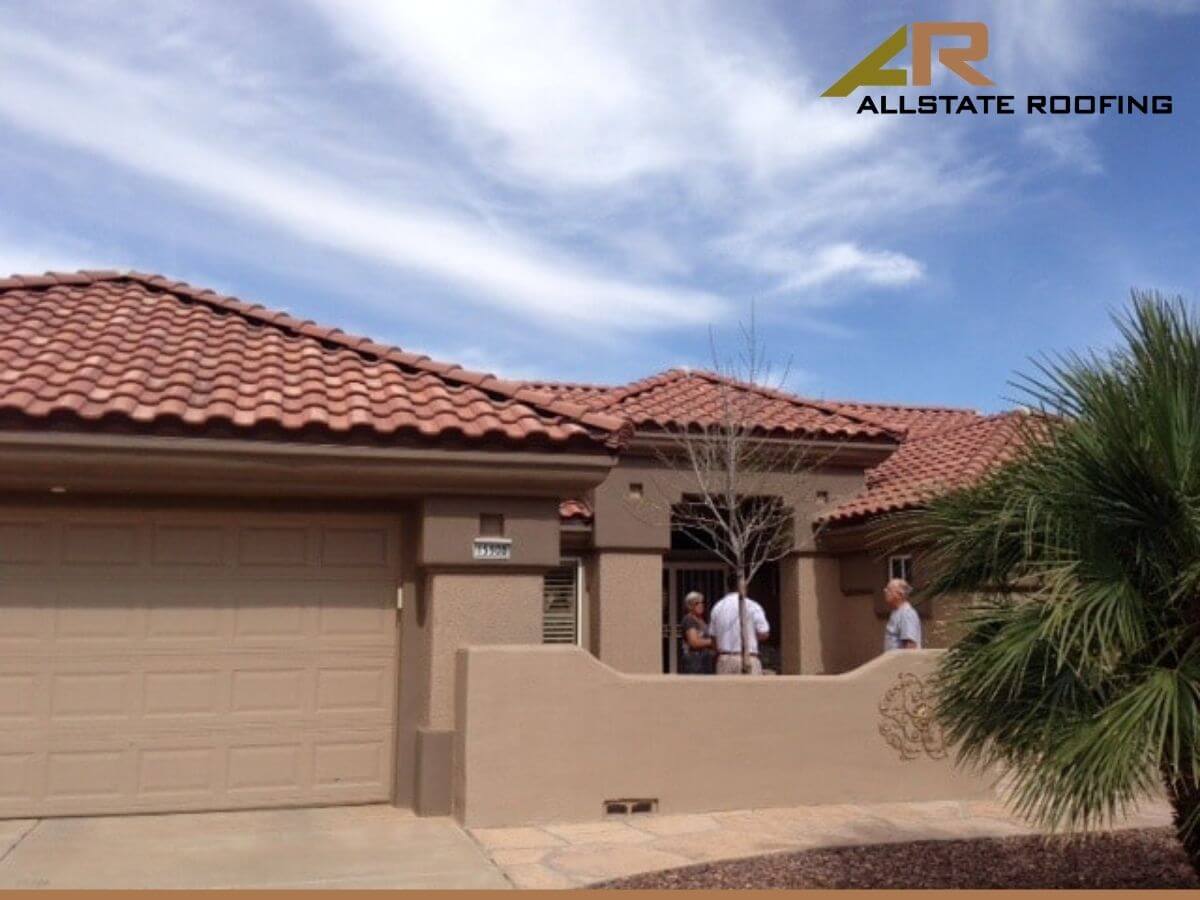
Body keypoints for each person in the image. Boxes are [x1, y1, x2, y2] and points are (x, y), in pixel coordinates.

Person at [708, 573, 770, 675]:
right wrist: (749, 637)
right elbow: (764, 633)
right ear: (743, 585)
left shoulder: (718, 607)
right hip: (748, 657)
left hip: (725, 659)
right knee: (751, 691)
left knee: (725, 691)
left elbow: (713, 637)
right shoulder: (752, 606)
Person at [678, 591, 715, 674]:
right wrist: (712, 642)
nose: (701, 605)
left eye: (702, 602)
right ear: (690, 606)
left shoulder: (701, 620)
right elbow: (694, 642)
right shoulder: (689, 620)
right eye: (697, 603)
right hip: (694, 662)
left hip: (704, 662)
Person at [883, 578, 922, 651]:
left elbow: (910, 646)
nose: (885, 591)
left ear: (899, 594)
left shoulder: (906, 613)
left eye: (889, 589)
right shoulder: (897, 612)